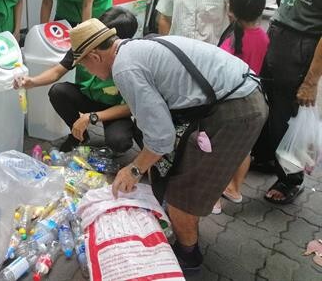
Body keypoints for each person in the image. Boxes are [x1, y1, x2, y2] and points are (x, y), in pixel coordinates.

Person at [68, 18, 267, 274]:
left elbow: (161, 138)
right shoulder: (134, 48)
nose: (86, 71)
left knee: (181, 196)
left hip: (236, 109)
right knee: (171, 171)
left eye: (83, 64)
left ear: (94, 56)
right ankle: (183, 230)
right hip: (236, 95)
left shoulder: (124, 69)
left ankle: (188, 258)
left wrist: (134, 169)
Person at [253, 0, 322, 205]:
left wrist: (310, 81)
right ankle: (269, 157)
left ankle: (290, 178)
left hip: (299, 49)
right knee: (270, 105)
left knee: (286, 115)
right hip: (280, 41)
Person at [14, 6, 139, 153]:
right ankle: (79, 136)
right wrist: (32, 81)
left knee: (119, 142)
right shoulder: (86, 44)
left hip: (114, 108)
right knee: (58, 91)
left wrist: (92, 118)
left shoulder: (129, 63)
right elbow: (57, 71)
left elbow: (131, 107)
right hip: (88, 97)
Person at [212, 0, 269, 214]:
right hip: (252, 100)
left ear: (231, 8)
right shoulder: (263, 37)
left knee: (218, 152)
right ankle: (234, 189)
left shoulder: (233, 40)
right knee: (244, 149)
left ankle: (212, 199)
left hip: (228, 103)